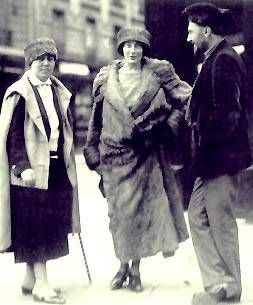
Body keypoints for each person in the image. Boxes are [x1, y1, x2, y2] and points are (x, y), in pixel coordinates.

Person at [84, 26, 192, 292]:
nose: (132, 50)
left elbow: (185, 100)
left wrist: (167, 126)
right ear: (120, 49)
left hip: (144, 156)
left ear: (145, 49)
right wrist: (92, 152)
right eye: (127, 45)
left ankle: (133, 270)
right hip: (112, 156)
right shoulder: (105, 77)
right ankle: (122, 266)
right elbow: (95, 119)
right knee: (118, 216)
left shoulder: (158, 73)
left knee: (138, 215)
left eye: (138, 45)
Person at [0, 38, 80, 304]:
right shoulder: (20, 93)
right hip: (30, 172)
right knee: (36, 227)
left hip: (56, 168)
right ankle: (42, 285)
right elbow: (13, 136)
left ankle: (29, 279)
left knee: (50, 224)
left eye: (50, 58)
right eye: (40, 58)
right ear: (30, 62)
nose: (46, 63)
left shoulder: (58, 91)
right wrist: (22, 167)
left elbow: (66, 129)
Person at [183, 3, 251, 303]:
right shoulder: (215, 57)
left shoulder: (223, 60)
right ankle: (218, 283)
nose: (188, 38)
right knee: (197, 217)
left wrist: (205, 146)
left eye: (191, 31)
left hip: (220, 161)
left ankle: (230, 289)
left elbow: (228, 115)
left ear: (206, 31)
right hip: (210, 161)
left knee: (221, 223)